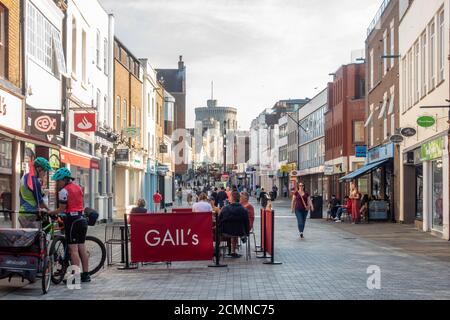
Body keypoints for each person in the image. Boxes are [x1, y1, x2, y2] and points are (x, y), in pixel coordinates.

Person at [48, 168, 90, 283]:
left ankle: (75, 277)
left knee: (73, 250)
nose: (57, 183)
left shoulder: (63, 191)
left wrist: (51, 212)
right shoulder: (79, 188)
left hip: (72, 221)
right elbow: (80, 204)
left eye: (59, 181)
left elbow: (62, 208)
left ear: (65, 179)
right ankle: (86, 275)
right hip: (82, 219)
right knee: (82, 247)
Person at [18, 157, 53, 228]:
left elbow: (21, 194)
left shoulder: (25, 177)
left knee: (28, 237)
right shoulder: (34, 181)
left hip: (23, 213)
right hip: (30, 214)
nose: (45, 174)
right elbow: (40, 203)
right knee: (35, 237)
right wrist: (50, 211)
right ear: (39, 169)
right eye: (45, 171)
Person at [217, 191, 250, 258]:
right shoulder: (244, 210)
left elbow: (219, 220)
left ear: (232, 198)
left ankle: (217, 249)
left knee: (217, 230)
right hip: (239, 232)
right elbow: (247, 222)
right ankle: (233, 251)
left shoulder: (225, 209)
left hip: (226, 232)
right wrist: (246, 233)